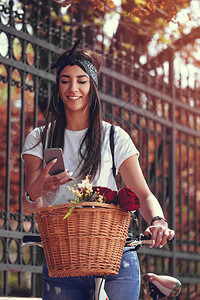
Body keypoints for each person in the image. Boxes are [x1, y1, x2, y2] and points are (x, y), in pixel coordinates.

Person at [22, 40, 175, 300]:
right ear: (58, 85)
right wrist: (38, 189)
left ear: (92, 85)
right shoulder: (39, 138)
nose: (73, 89)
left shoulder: (114, 137)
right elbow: (30, 206)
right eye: (65, 80)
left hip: (115, 257)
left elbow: (143, 195)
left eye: (82, 81)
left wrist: (158, 221)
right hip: (62, 258)